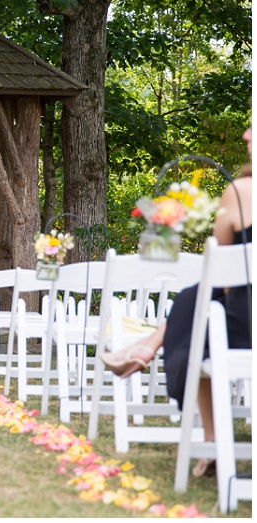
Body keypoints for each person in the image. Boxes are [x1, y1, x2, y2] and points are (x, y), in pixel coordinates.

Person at [100, 121, 252, 477]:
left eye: (253, 128)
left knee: (198, 312)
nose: (246, 135)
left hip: (246, 328)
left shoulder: (243, 192)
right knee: (198, 305)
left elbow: (223, 271)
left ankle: (147, 349)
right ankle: (147, 346)